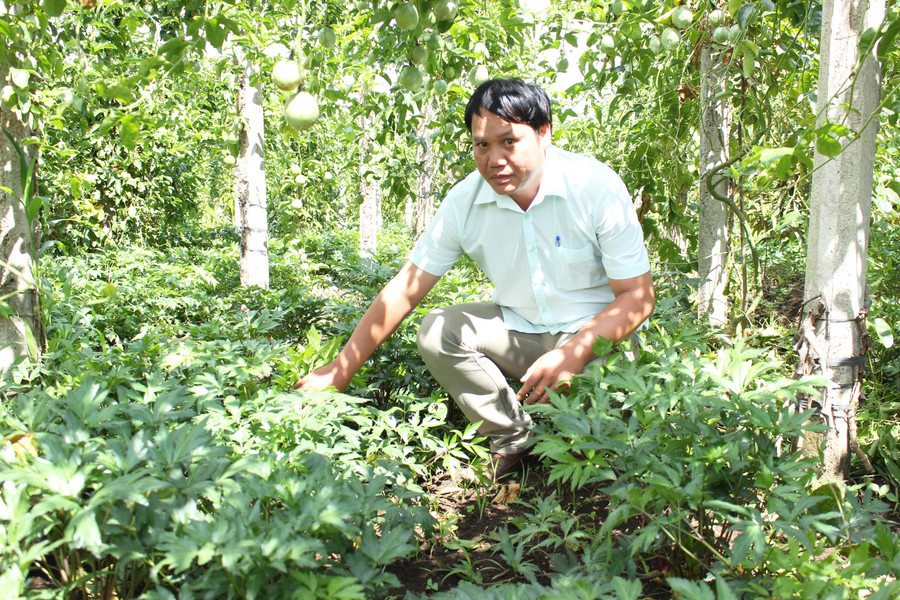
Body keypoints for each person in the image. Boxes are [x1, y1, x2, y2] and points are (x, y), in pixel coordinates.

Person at [296, 78, 654, 479]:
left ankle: (579, 418)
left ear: (543, 133)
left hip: (600, 345)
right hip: (524, 335)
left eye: (509, 142)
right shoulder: (465, 202)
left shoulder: (594, 186)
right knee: (438, 330)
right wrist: (340, 369)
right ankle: (513, 435)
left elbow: (638, 297)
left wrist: (576, 352)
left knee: (609, 438)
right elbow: (405, 288)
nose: (494, 159)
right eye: (482, 145)